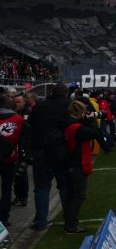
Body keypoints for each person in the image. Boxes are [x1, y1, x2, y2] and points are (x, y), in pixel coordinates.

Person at [62, 100, 111, 234]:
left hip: (69, 164)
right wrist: (91, 120)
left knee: (70, 195)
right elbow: (94, 132)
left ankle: (69, 222)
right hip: (77, 164)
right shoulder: (76, 128)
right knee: (78, 195)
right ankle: (72, 224)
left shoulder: (67, 124)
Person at [29, 83, 70, 231]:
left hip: (40, 150)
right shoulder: (68, 105)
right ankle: (69, 218)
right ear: (66, 94)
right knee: (64, 185)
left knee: (41, 188)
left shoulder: (40, 106)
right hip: (60, 150)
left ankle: (40, 220)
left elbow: (31, 124)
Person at [0, 93, 25, 228]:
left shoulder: (19, 120)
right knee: (6, 188)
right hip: (10, 159)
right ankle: (3, 217)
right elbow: (25, 139)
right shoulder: (18, 120)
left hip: (9, 157)